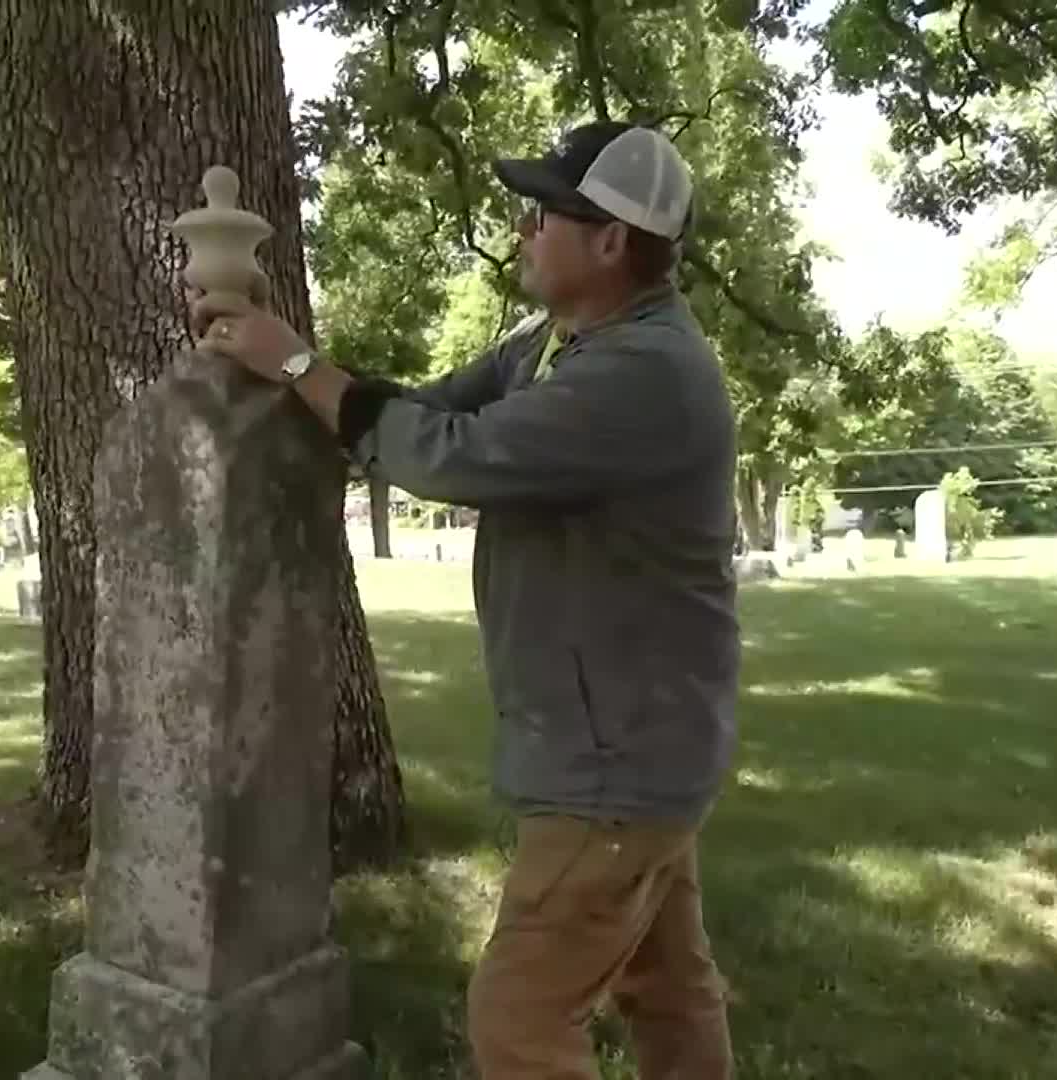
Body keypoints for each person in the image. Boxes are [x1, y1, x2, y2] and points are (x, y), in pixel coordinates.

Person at [193, 120, 739, 1080]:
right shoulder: (556, 342)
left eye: (545, 212)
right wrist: (297, 360)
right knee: (665, 990)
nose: (524, 229)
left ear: (612, 240)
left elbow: (450, 457)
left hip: (612, 766)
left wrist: (288, 364)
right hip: (648, 747)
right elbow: (424, 408)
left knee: (519, 1021)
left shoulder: (642, 374)